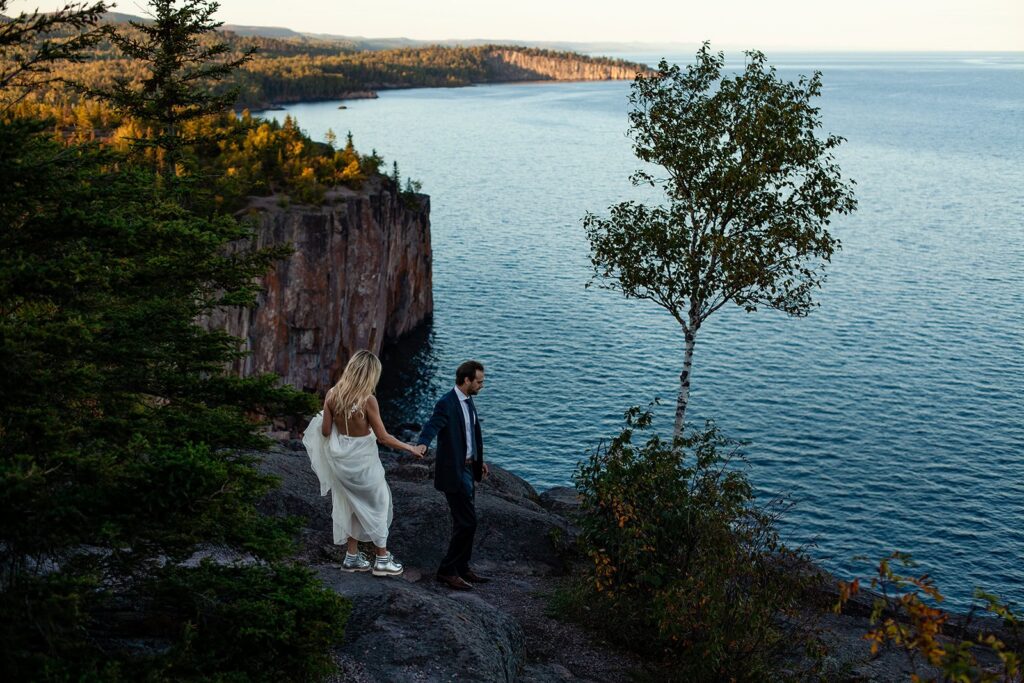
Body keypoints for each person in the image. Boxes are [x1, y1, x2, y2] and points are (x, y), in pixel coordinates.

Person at [302, 350, 423, 577]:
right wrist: (410, 447)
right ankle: (382, 560)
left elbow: (326, 431)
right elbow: (383, 437)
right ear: (370, 374)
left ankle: (351, 557)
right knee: (378, 504)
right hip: (364, 462)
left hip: (341, 462)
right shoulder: (368, 400)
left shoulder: (332, 395)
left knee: (351, 504)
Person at [415, 360, 491, 590]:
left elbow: (470, 434)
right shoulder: (446, 403)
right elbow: (432, 425)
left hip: (469, 468)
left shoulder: (468, 401)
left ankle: (462, 566)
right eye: (479, 382)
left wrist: (478, 460)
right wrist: (422, 444)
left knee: (466, 522)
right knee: (467, 522)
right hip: (454, 472)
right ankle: (447, 571)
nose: (482, 386)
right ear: (466, 380)